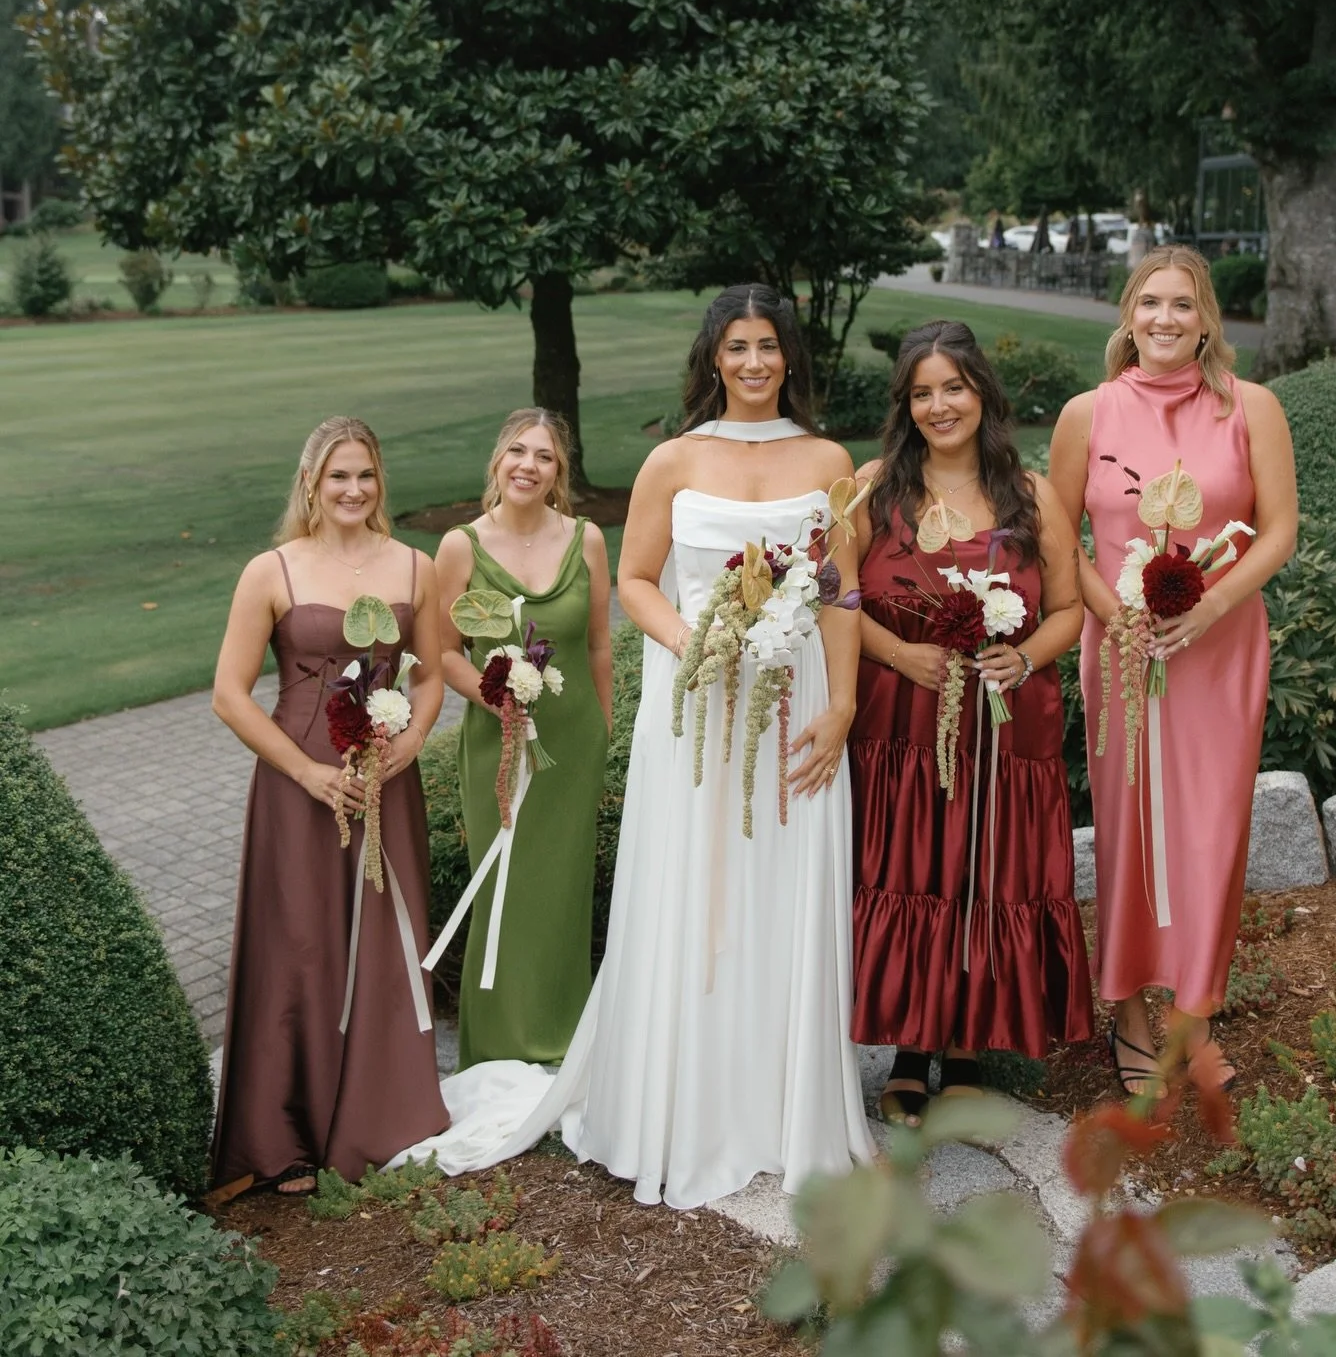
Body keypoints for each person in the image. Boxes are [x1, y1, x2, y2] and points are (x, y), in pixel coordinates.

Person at [395, 285, 872, 1206]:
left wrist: (844, 702)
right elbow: (641, 580)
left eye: (769, 345)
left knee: (782, 889)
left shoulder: (826, 457)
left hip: (795, 704)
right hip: (695, 708)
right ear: (713, 357)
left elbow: (840, 591)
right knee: (696, 893)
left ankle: (783, 1105)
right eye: (736, 346)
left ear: (789, 356)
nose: (754, 362)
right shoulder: (671, 459)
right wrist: (702, 645)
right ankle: (684, 1101)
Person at [1049, 249, 1298, 1094]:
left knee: (1210, 832)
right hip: (1120, 651)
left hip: (1219, 649)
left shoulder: (1251, 407)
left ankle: (1193, 1017)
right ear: (1128, 314)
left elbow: (1278, 532)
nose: (1164, 318)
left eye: (1181, 305)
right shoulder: (1088, 414)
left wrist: (1210, 608)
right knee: (1127, 828)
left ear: (1206, 318)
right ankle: (1125, 1009)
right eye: (1149, 302)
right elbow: (1061, 540)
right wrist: (1112, 614)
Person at [850, 321, 1092, 1124]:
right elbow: (835, 597)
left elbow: (1066, 609)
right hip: (901, 724)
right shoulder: (874, 486)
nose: (938, 404)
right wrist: (896, 653)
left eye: (952, 386)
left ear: (982, 391)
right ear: (905, 404)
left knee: (979, 869)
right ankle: (908, 1050)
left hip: (999, 724)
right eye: (921, 392)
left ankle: (964, 1044)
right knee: (912, 869)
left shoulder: (1029, 492)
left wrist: (1022, 659)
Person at [211, 417, 449, 1192]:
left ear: (381, 482)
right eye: (338, 475)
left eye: (367, 475)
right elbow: (229, 694)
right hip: (298, 787)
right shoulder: (271, 569)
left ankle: (382, 1114)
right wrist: (306, 775)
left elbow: (431, 674)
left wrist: (411, 739)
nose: (353, 490)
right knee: (301, 946)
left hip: (385, 784)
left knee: (384, 943)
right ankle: (285, 1136)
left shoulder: (415, 566)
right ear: (311, 481)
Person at [434, 408, 612, 1068]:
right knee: (503, 884)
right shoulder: (460, 546)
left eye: (543, 455)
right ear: (497, 461)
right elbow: (444, 649)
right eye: (517, 451)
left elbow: (598, 643)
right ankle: (500, 1046)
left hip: (572, 742)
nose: (528, 465)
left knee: (563, 892)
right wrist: (494, 690)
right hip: (497, 741)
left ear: (557, 471)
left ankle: (563, 1040)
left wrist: (604, 728)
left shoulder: (587, 539)